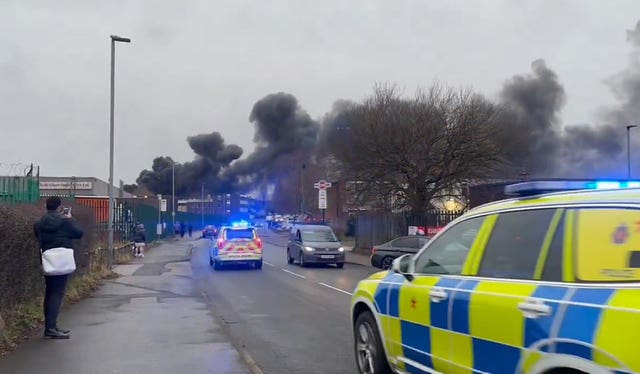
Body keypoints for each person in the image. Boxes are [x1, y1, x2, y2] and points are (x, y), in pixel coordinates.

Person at [33, 196, 83, 339]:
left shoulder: (39, 223)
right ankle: (51, 328)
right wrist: (70, 219)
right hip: (62, 260)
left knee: (49, 292)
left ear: (46, 206)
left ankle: (49, 327)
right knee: (57, 293)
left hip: (48, 260)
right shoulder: (64, 222)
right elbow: (79, 233)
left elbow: (38, 236)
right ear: (60, 207)